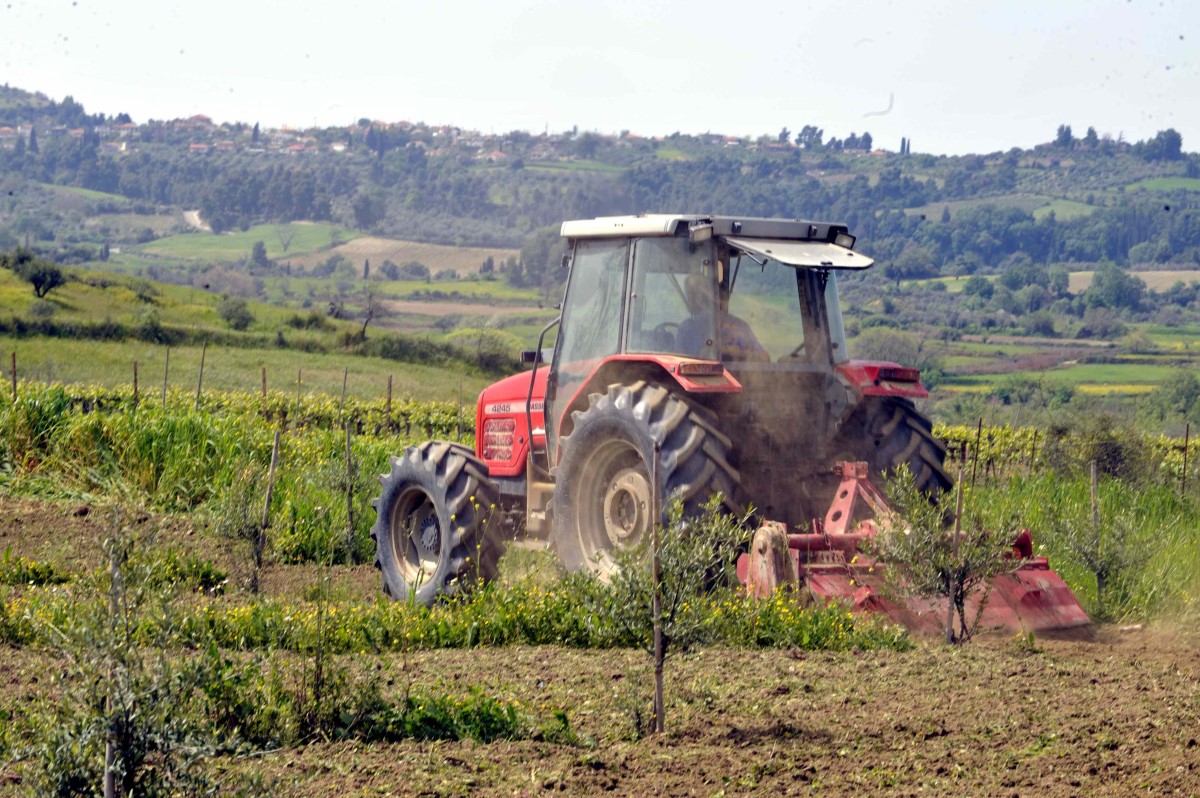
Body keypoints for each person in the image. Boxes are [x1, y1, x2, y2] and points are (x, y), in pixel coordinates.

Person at [678, 272, 769, 362]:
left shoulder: (686, 329)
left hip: (732, 376)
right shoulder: (740, 326)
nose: (690, 299)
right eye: (690, 295)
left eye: (692, 295)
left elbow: (676, 363)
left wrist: (736, 354)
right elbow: (764, 359)